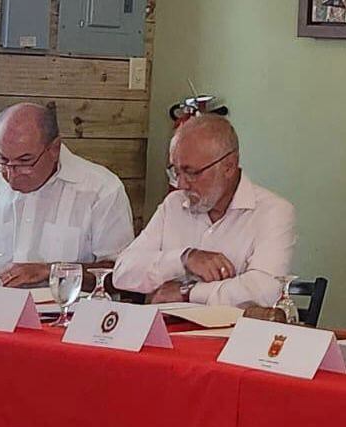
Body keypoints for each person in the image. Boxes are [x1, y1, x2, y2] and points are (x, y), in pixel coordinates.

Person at [112, 115, 295, 308]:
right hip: (165, 325)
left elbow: (265, 290)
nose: (181, 184)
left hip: (231, 327)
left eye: (191, 173)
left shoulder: (273, 212)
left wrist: (187, 292)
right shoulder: (174, 204)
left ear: (229, 166)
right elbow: (123, 272)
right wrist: (184, 259)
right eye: (176, 172)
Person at [0, 103, 133, 287]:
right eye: (2, 159)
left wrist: (51, 271)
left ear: (54, 149)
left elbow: (121, 276)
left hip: (67, 305)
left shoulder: (101, 190)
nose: (12, 173)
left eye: (25, 161)